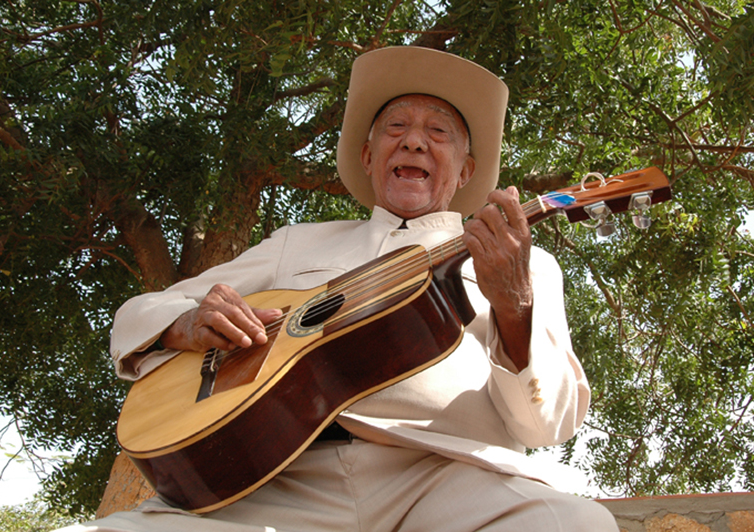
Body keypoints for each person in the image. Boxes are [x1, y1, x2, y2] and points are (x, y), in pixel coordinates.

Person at [59, 46, 618, 531]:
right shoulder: (296, 242)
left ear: (466, 170)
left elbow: (546, 426)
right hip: (278, 478)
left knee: (577, 524)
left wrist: (514, 305)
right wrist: (183, 325)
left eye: (438, 132)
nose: (415, 143)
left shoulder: (521, 260)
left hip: (449, 480)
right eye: (396, 129)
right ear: (370, 158)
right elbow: (147, 308)